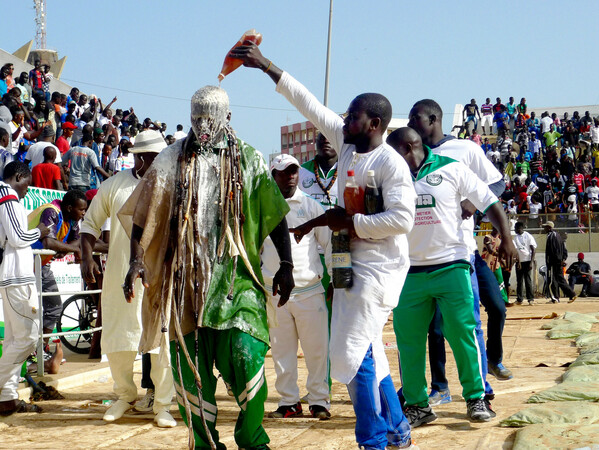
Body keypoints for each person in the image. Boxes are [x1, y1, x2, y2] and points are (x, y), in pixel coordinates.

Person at [233, 43, 416, 450]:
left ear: (375, 123)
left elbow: (402, 220)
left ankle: (373, 441)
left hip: (380, 269)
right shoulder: (349, 144)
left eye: (353, 115)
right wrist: (265, 65)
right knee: (369, 352)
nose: (344, 119)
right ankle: (398, 430)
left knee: (348, 355)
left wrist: (349, 222)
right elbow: (309, 103)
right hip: (351, 265)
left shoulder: (390, 164)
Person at [120, 86, 293, 450]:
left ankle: (252, 437)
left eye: (210, 118)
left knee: (246, 355)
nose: (202, 126)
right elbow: (143, 214)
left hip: (236, 279)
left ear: (227, 118)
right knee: (191, 371)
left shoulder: (248, 158)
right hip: (186, 285)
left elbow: (274, 214)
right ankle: (205, 443)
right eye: (196, 117)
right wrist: (137, 259)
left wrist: (286, 264)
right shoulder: (171, 158)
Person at [386, 127, 516, 426]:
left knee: (463, 334)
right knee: (409, 342)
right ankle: (418, 405)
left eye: (393, 153)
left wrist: (506, 237)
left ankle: (476, 398)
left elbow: (490, 201)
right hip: (407, 272)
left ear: (407, 148)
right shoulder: (391, 178)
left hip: (451, 265)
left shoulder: (453, 169)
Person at [407, 99, 511, 396]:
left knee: (487, 313)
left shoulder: (465, 150)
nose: (412, 124)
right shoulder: (409, 154)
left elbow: (497, 184)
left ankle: (488, 372)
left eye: (415, 118)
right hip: (426, 252)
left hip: (462, 248)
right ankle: (440, 387)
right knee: (436, 327)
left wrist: (473, 200)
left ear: (433, 119)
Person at [80, 130, 176, 427]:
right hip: (122, 276)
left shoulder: (173, 186)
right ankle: (124, 395)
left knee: (162, 344)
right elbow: (89, 225)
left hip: (160, 278)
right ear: (139, 157)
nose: (158, 161)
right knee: (120, 339)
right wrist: (86, 258)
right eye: (151, 156)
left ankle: (162, 403)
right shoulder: (115, 185)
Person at [263, 154, 331, 420]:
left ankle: (319, 401)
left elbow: (328, 244)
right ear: (274, 176)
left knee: (316, 351)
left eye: (294, 170)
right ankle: (289, 401)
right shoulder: (263, 209)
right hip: (275, 293)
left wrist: (335, 280)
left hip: (309, 291)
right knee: (282, 354)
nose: (291, 175)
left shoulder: (312, 206)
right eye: (284, 171)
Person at [0, 162, 49, 416]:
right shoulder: (6, 193)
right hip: (16, 277)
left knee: (14, 340)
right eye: (27, 184)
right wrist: (39, 231)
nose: (27, 190)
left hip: (13, 276)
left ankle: (6, 399)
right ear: (18, 177)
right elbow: (18, 237)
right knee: (29, 337)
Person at [29, 189, 88, 342]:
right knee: (28, 311)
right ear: (69, 208)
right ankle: (31, 355)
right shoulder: (51, 212)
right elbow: (48, 242)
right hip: (23, 264)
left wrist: (64, 247)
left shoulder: (73, 220)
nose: (84, 213)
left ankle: (42, 350)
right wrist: (70, 248)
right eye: (81, 209)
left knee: (54, 308)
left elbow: (77, 240)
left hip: (42, 265)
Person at [298, 132, 338, 207]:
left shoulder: (347, 170)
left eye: (330, 138)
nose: (326, 141)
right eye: (322, 138)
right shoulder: (301, 171)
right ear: (316, 142)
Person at [542, 221, 576, 303]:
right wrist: (563, 259)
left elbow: (555, 251)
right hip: (558, 261)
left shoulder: (552, 236)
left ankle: (556, 297)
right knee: (559, 279)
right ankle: (568, 295)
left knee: (553, 280)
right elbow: (564, 250)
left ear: (549, 228)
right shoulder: (558, 236)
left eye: (545, 227)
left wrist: (559, 260)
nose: (544, 228)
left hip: (554, 262)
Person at [512, 222, 537, 305]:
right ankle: (519, 299)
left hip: (527, 261)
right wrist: (518, 262)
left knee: (528, 280)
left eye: (516, 228)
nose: (515, 230)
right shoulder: (515, 238)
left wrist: (531, 262)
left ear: (520, 228)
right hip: (519, 261)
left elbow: (533, 249)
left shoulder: (528, 236)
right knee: (519, 281)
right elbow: (516, 251)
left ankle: (530, 299)